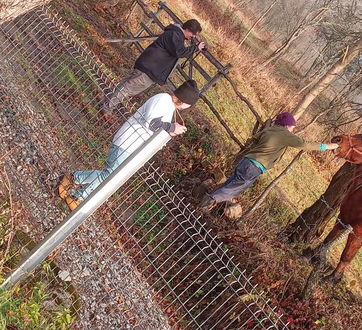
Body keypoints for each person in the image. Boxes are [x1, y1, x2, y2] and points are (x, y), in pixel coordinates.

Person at [59, 80, 200, 210]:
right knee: (110, 176)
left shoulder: (169, 108)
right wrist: (171, 127)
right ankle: (75, 187)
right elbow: (151, 122)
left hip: (133, 147)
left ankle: (76, 189)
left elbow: (156, 128)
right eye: (190, 103)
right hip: (127, 142)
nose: (189, 107)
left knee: (110, 176)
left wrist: (169, 132)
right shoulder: (163, 100)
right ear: (185, 101)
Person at [198, 112, 339, 213]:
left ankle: (206, 203)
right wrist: (327, 146)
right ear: (287, 126)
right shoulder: (285, 135)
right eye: (292, 126)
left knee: (230, 185)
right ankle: (205, 204)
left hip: (246, 161)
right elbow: (305, 145)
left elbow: (255, 139)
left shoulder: (270, 129)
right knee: (233, 189)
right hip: (254, 167)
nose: (293, 129)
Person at [101, 19, 206, 119]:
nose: (193, 37)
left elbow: (179, 50)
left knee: (126, 87)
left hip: (150, 69)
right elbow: (179, 52)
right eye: (193, 34)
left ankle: (107, 104)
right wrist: (196, 48)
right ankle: (107, 109)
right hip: (148, 69)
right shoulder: (174, 35)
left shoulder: (176, 35)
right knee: (127, 89)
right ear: (188, 29)